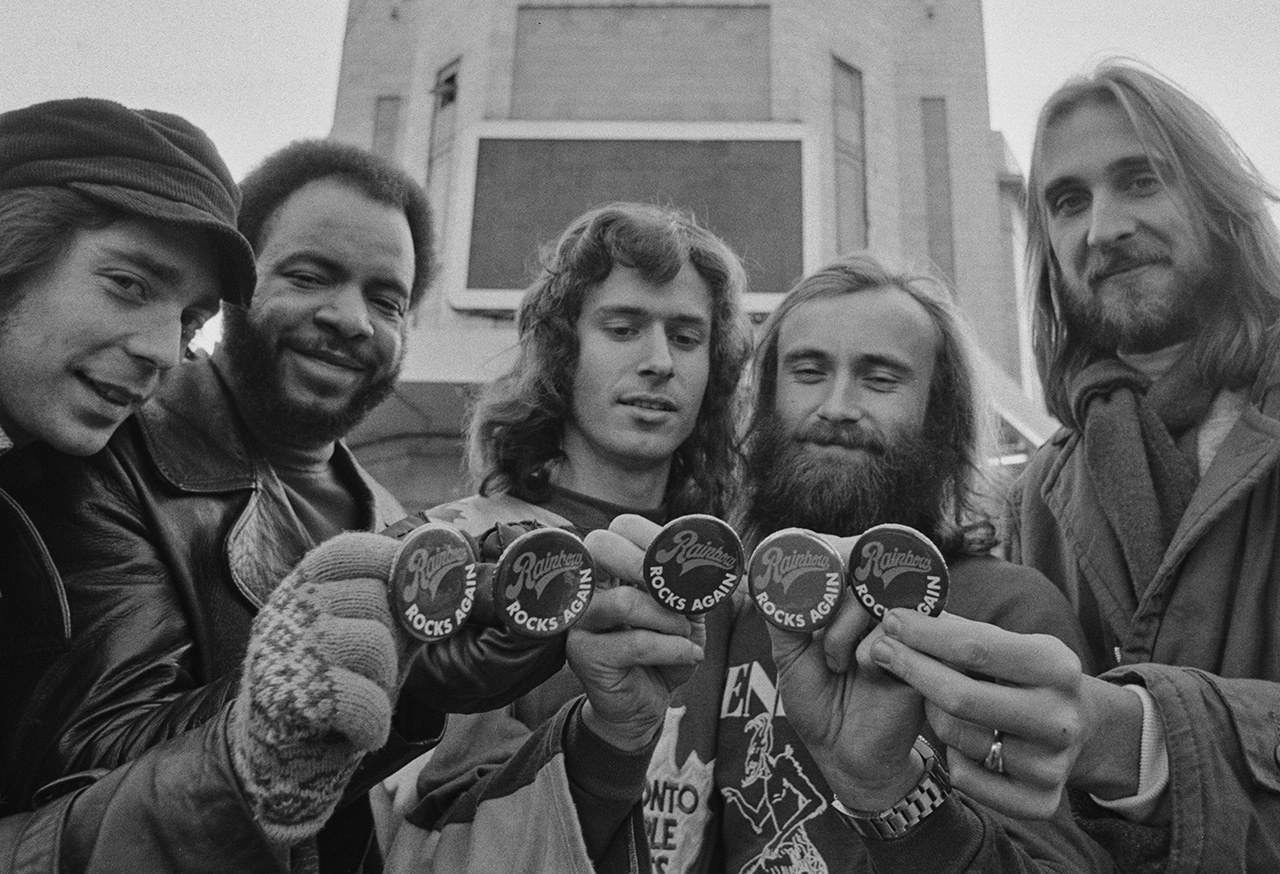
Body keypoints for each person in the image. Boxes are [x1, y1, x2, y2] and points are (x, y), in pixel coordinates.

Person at [1, 139, 566, 872]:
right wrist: (315, 688)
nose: (352, 319)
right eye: (309, 276)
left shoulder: (387, 516)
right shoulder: (103, 437)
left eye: (386, 300)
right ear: (240, 290)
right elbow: (83, 775)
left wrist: (413, 680)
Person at [0, 97, 408, 873]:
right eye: (128, 283)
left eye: (190, 320)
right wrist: (248, 747)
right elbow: (79, 772)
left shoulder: (391, 516)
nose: (163, 350)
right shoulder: (89, 465)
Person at [670, 253, 1113, 873]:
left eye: (880, 379)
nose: (837, 406)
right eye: (808, 372)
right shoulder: (731, 610)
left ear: (941, 416)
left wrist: (891, 794)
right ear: (764, 399)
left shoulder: (1006, 610)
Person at [380, 202, 753, 873]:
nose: (659, 362)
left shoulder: (733, 573)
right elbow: (445, 839)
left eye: (687, 336)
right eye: (623, 328)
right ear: (562, 349)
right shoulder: (452, 548)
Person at [999, 59, 1280, 872]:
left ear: (1217, 201)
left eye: (1141, 180)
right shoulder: (1035, 498)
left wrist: (1143, 740)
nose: (1105, 228)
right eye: (1068, 201)